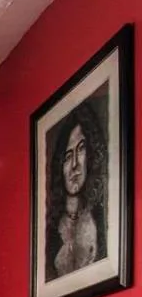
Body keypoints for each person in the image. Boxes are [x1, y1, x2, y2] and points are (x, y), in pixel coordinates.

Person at [46, 102, 106, 279]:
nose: (74, 165)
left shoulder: (100, 221)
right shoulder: (52, 230)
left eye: (81, 150)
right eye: (67, 156)